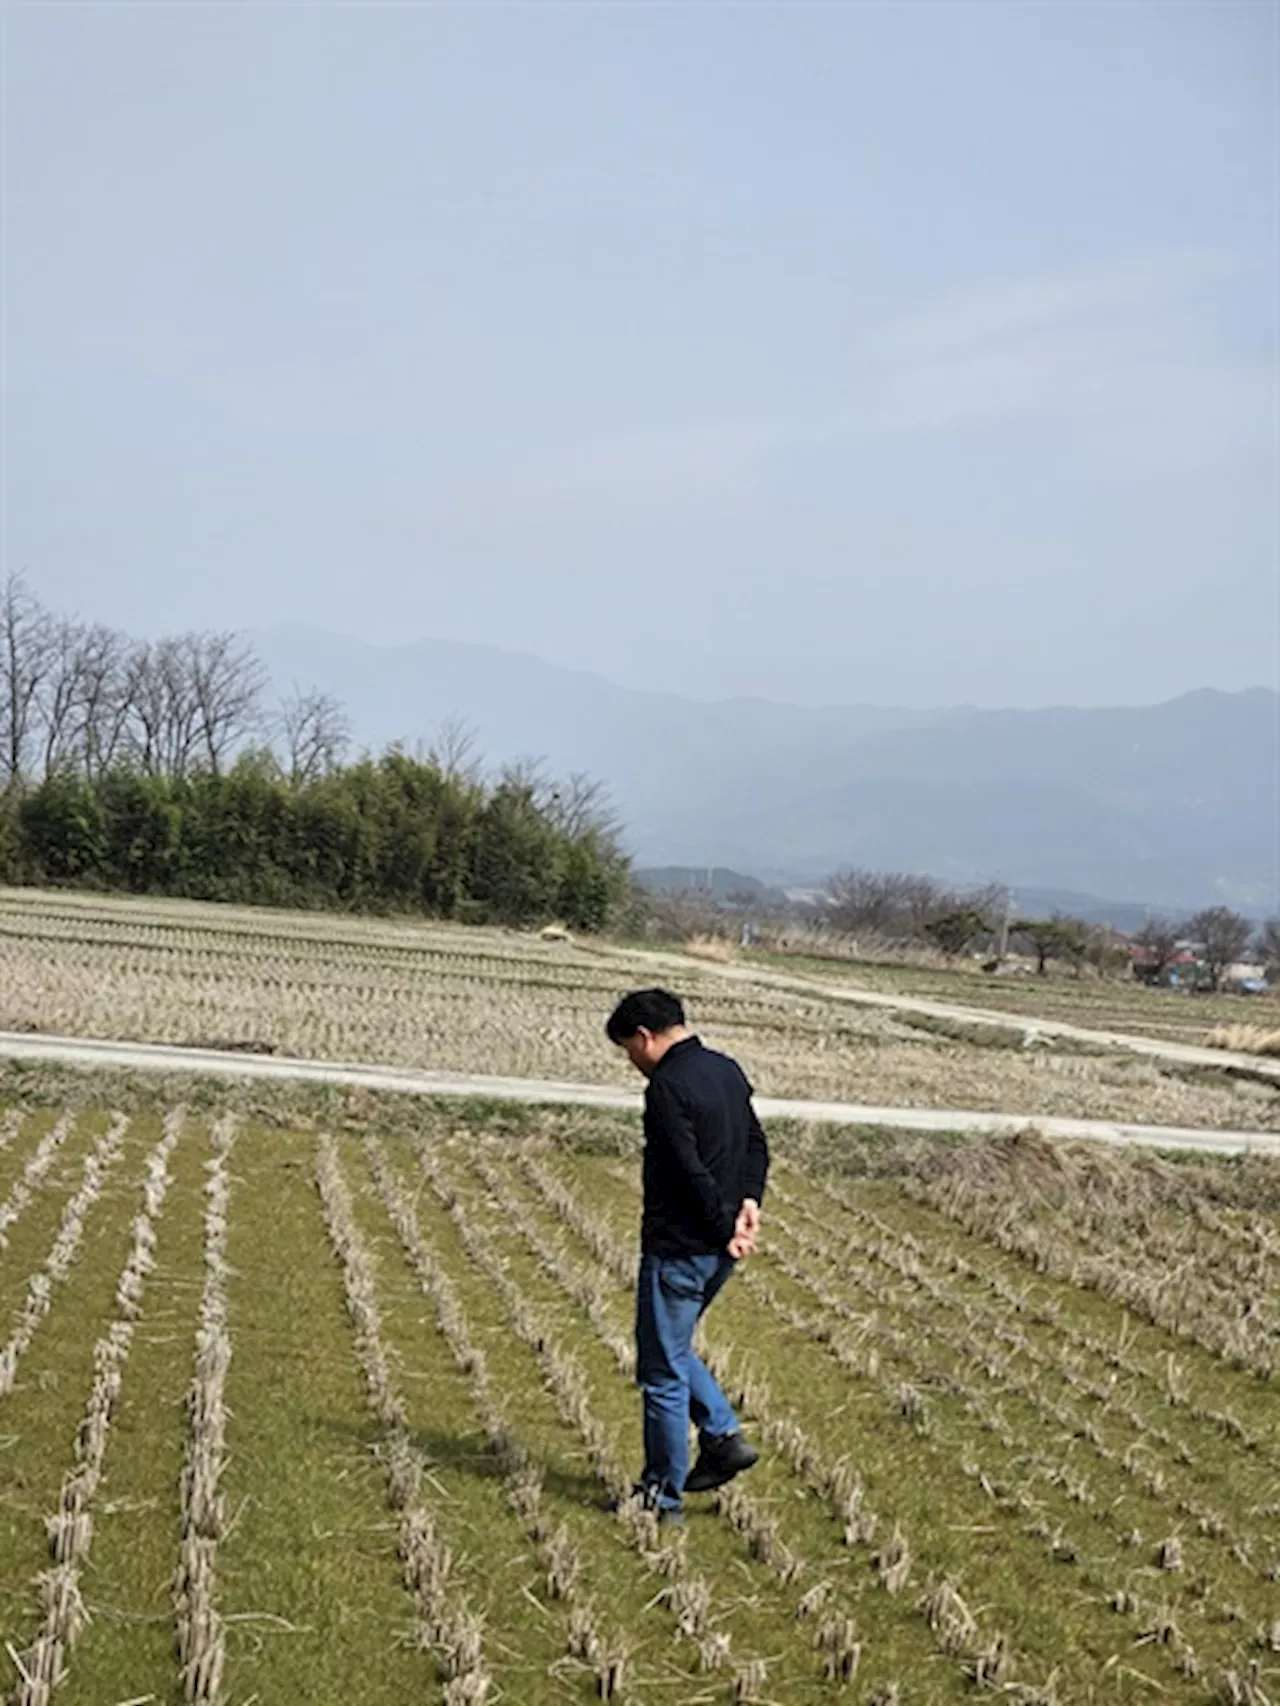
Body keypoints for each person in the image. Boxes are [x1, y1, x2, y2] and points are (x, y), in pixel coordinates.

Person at [605, 987, 769, 1521]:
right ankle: (721, 1436)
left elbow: (686, 1169)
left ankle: (661, 1496)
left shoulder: (668, 1087)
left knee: (661, 1372)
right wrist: (749, 1204)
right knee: (670, 1348)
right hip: (719, 1248)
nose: (632, 1062)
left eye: (629, 1049)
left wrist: (726, 1225)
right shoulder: (725, 1069)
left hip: (681, 1247)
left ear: (646, 1036)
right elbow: (755, 1147)